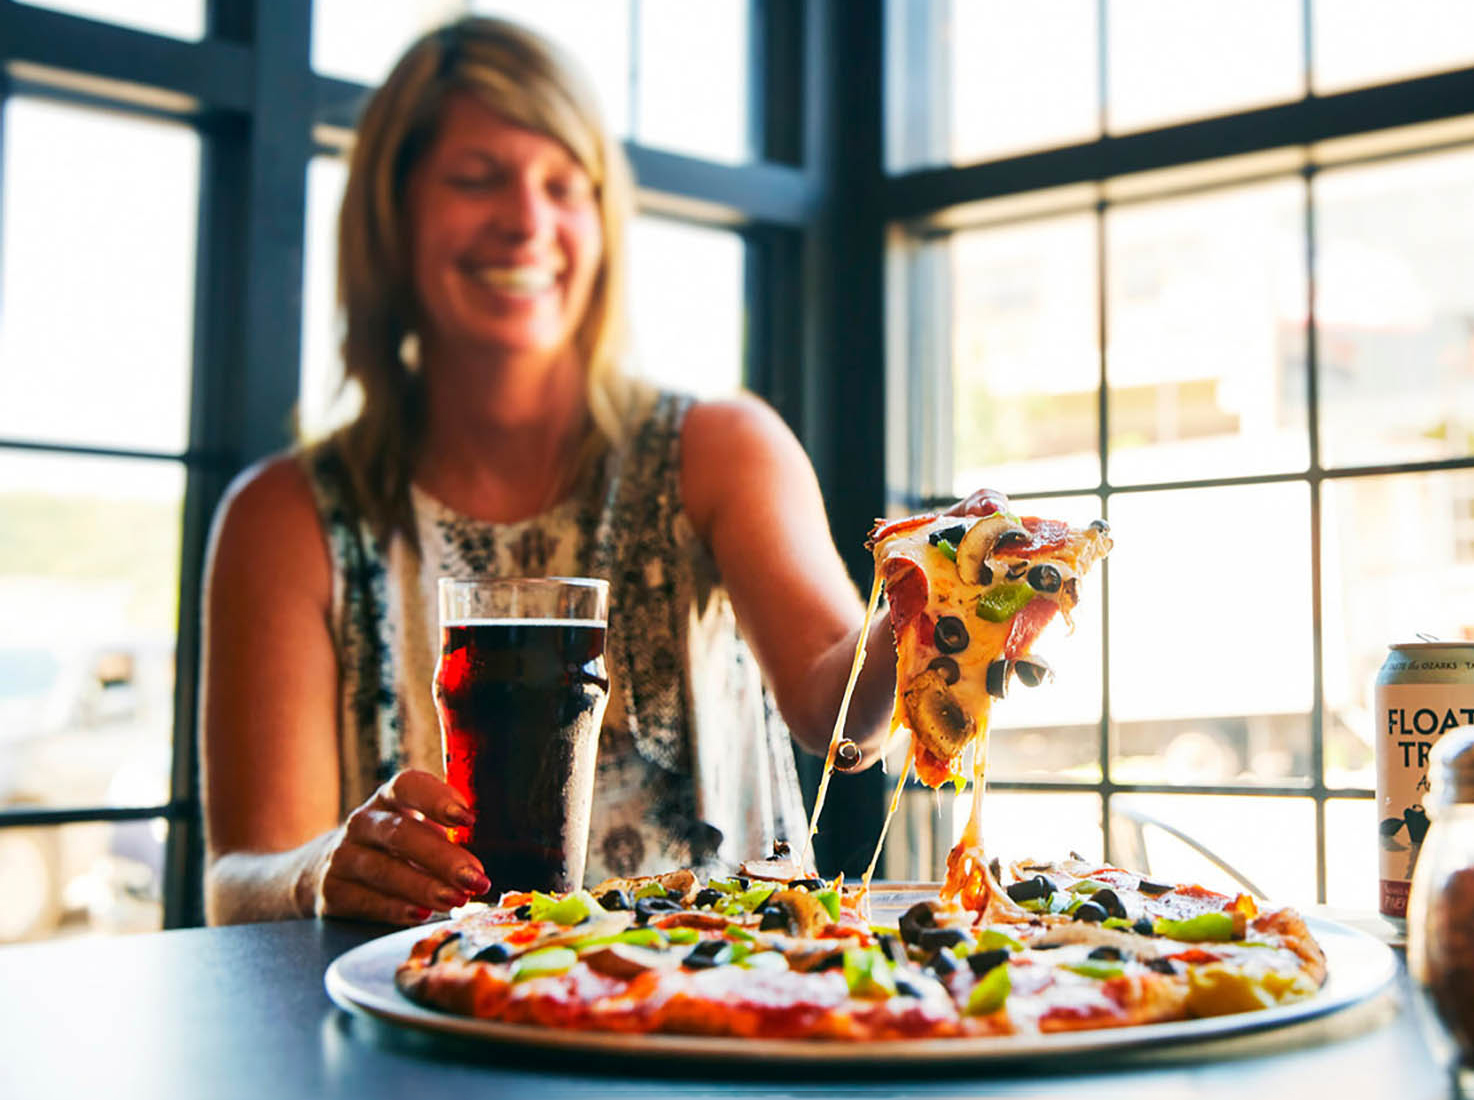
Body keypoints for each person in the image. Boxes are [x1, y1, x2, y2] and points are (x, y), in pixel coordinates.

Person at [199, 17, 991, 926]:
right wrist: (316, 873)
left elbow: (835, 711)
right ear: (392, 215)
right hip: (412, 1011)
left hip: (720, 997)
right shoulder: (286, 515)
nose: (526, 220)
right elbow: (236, 881)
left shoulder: (719, 447)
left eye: (564, 185)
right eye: (476, 178)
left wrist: (946, 592)